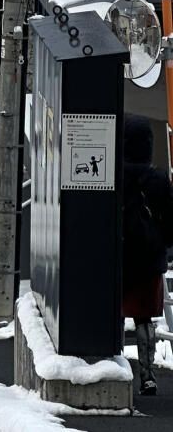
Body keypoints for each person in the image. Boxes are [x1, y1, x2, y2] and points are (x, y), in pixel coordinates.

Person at [122, 115, 173, 397]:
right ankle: (147, 374)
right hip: (149, 258)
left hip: (120, 254)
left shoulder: (115, 174)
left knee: (113, 312)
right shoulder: (158, 178)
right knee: (144, 319)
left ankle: (113, 364)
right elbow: (170, 219)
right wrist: (162, 244)